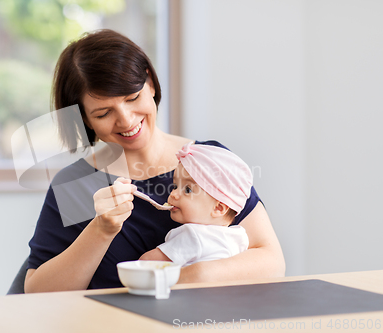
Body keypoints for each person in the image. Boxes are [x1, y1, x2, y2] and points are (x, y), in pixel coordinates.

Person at [24, 29, 285, 293]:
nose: (126, 120)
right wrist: (100, 230)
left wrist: (189, 275)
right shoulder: (76, 185)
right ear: (83, 119)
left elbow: (272, 262)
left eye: (132, 98)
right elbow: (37, 292)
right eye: (103, 113)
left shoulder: (207, 160)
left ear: (149, 83)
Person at [139, 143, 252, 266]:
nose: (173, 194)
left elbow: (145, 262)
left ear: (218, 208)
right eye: (175, 186)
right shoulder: (238, 237)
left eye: (188, 190)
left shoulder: (193, 236)